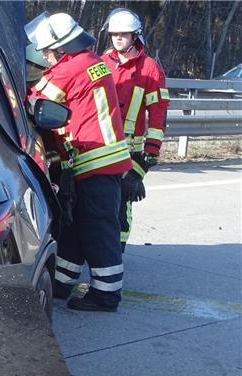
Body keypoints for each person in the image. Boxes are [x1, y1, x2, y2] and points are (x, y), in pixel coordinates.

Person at [26, 12, 132, 312]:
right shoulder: (93, 62)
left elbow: (33, 104)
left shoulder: (68, 70)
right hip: (99, 161)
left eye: (47, 51)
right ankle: (62, 283)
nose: (45, 57)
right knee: (75, 227)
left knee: (98, 231)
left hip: (93, 161)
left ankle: (106, 295)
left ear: (60, 48)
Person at [100, 8, 170, 250]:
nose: (118, 38)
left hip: (129, 153)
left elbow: (159, 114)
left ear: (135, 36)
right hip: (98, 149)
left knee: (121, 206)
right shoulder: (101, 64)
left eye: (124, 34)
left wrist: (142, 167)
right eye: (114, 34)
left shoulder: (150, 68)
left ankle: (115, 255)